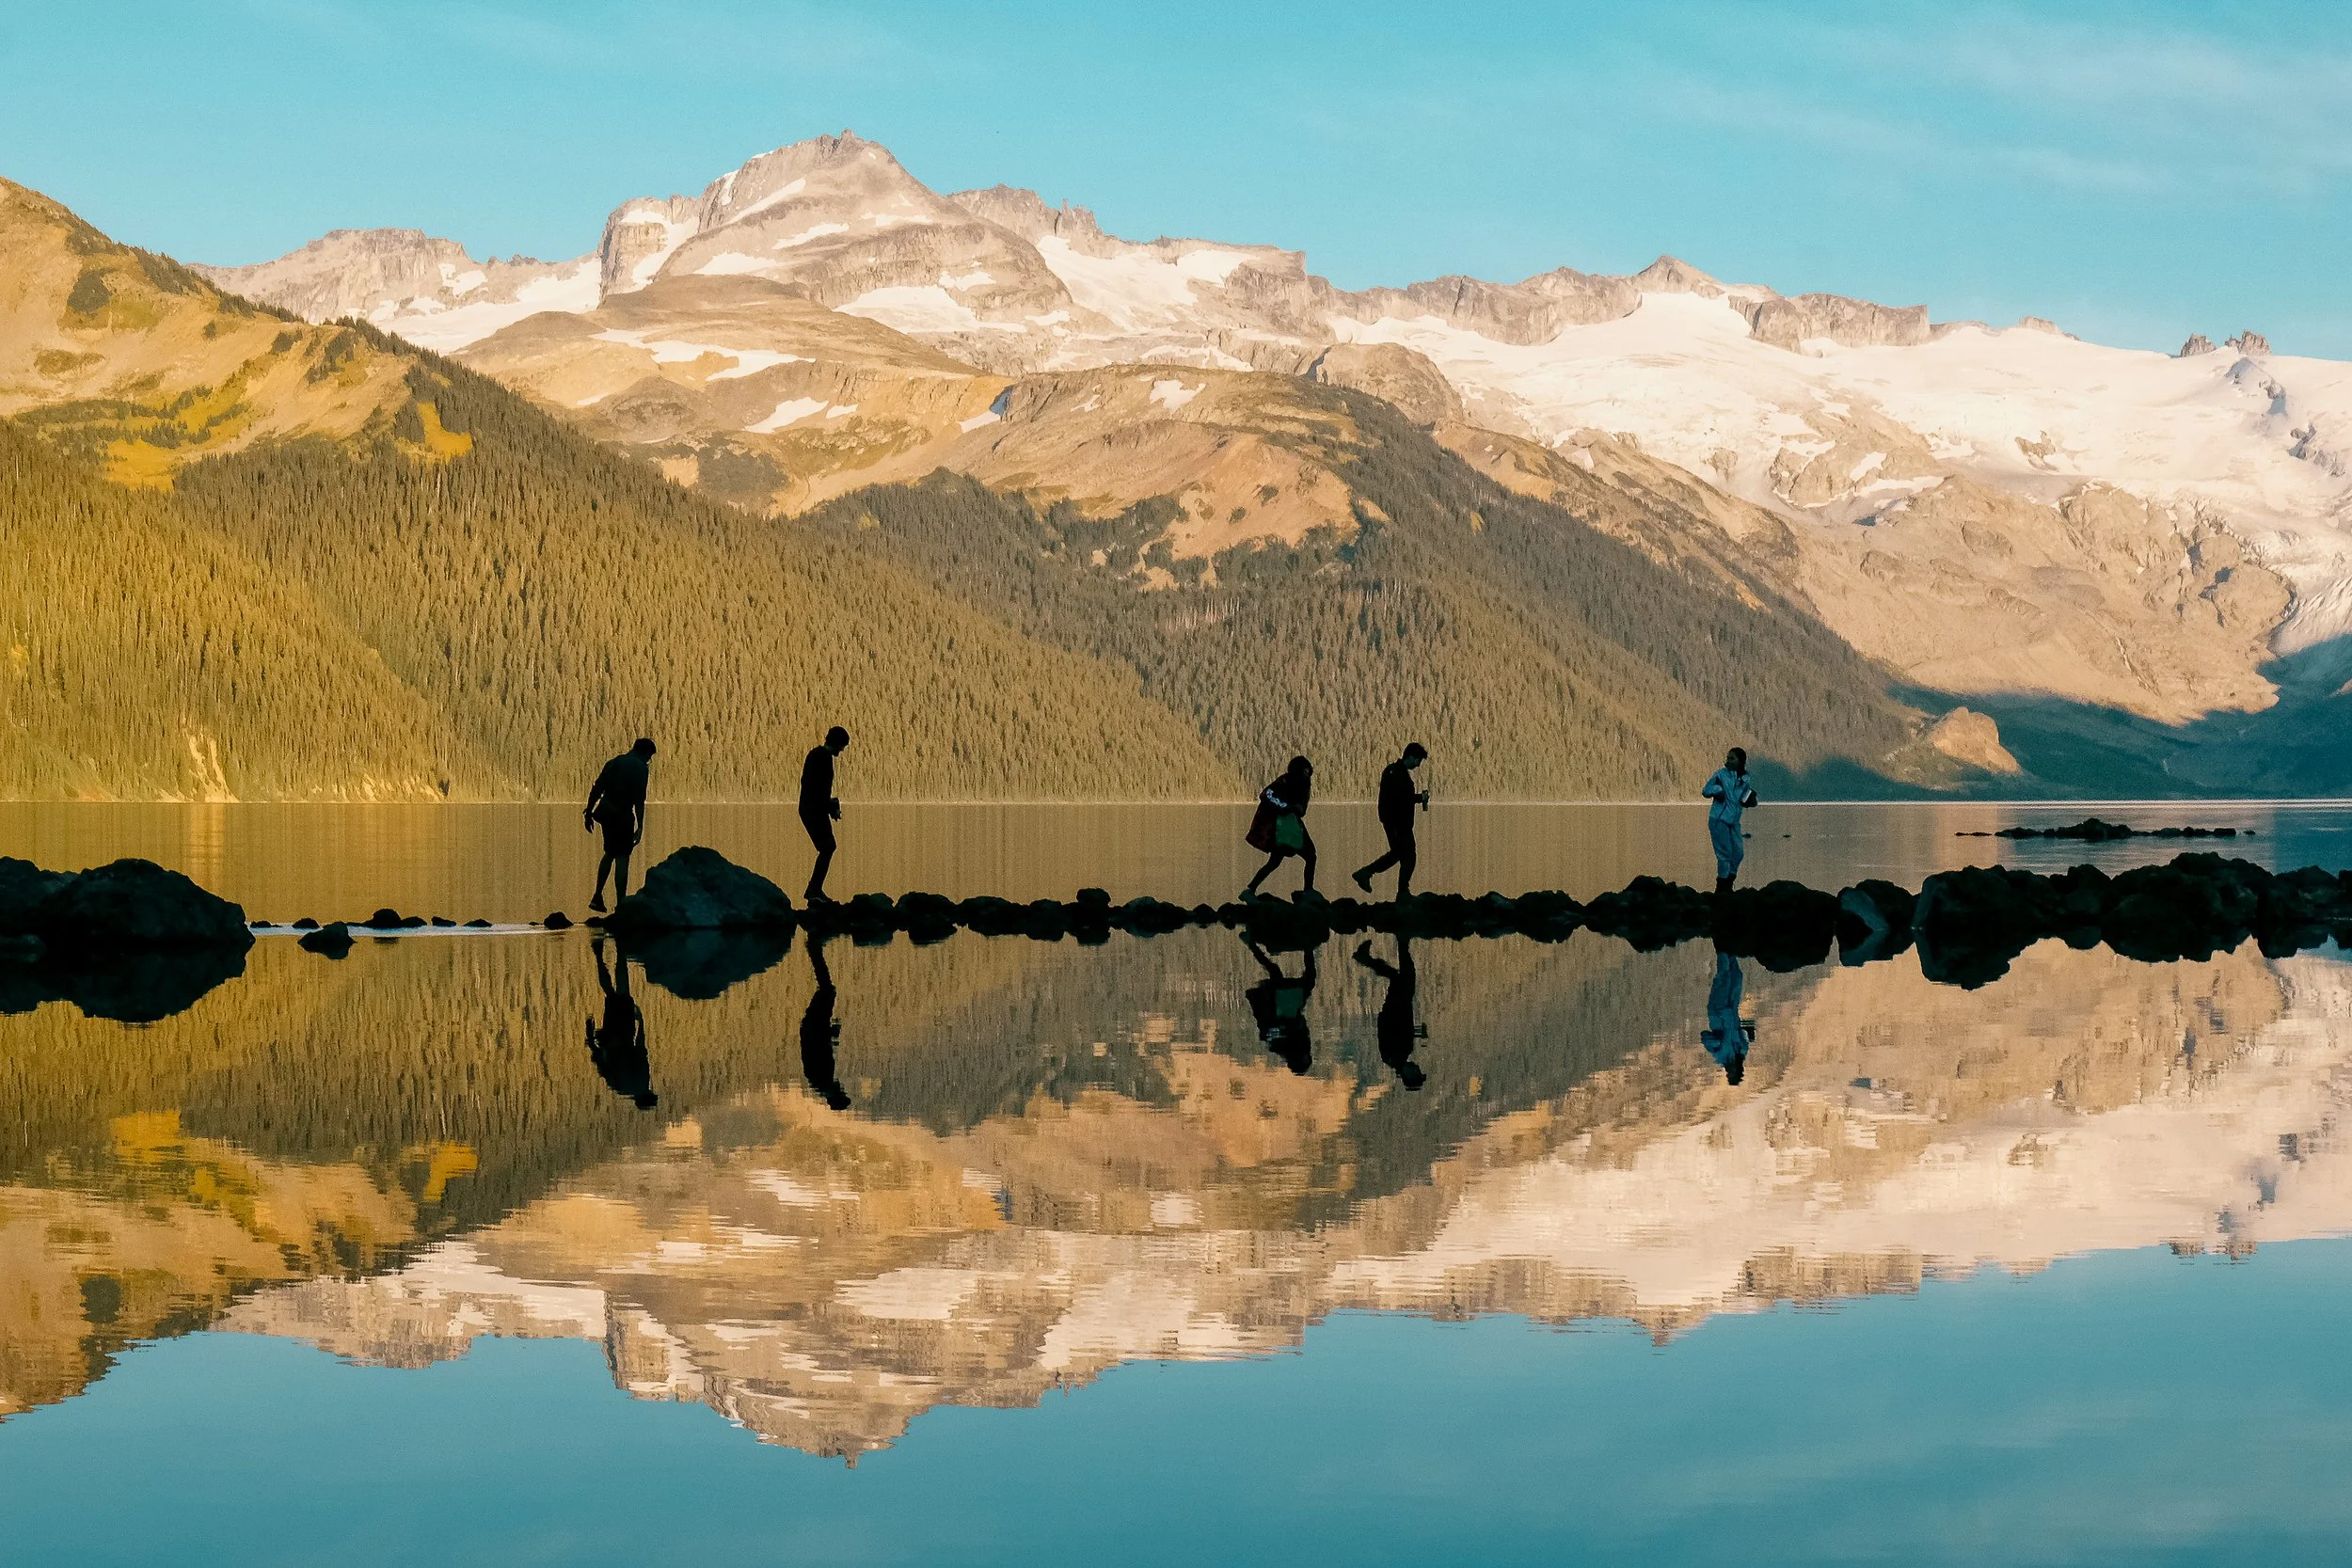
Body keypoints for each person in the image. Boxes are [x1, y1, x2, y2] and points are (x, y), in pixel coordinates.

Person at [585, 737, 657, 912]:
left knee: (609, 853)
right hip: (623, 816)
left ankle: (597, 895)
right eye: (650, 757)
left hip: (606, 813)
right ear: (646, 754)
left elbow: (597, 788)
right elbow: (639, 800)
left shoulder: (614, 762)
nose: (649, 761)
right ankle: (621, 903)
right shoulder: (641, 768)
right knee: (622, 858)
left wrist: (588, 812)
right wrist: (640, 826)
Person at [586, 937, 657, 1109]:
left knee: (622, 993)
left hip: (624, 1034)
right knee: (610, 994)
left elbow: (641, 1048)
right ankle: (599, 955)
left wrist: (641, 1023)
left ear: (647, 1094)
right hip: (610, 1039)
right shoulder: (620, 1088)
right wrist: (591, 1039)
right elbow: (601, 1065)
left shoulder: (640, 1081)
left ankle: (621, 952)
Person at [1353, 742, 1430, 897]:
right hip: (1397, 822)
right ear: (1411, 757)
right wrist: (1420, 798)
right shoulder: (1398, 774)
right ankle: (1401, 891)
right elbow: (1402, 798)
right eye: (1418, 760)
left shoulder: (1392, 771)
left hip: (1394, 821)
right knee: (1408, 855)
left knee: (1398, 853)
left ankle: (1367, 874)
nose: (1418, 765)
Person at [1353, 937, 1427, 1089]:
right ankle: (1395, 945)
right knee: (1399, 976)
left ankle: (1400, 942)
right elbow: (1402, 1031)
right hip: (1400, 1006)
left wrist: (1390, 1013)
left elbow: (1390, 1030)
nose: (1418, 1068)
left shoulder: (1394, 1056)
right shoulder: (1400, 1055)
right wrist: (1417, 1032)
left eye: (1416, 1072)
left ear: (1409, 1075)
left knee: (1404, 975)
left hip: (1397, 1006)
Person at [1243, 755, 1317, 896]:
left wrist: (1294, 808)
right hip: (1283, 826)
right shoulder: (1285, 781)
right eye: (1305, 771)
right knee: (1309, 856)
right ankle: (1308, 890)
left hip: (1287, 825)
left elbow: (1301, 809)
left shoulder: (1300, 784)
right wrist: (1286, 807)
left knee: (1276, 861)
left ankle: (1250, 889)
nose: (1307, 775)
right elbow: (1266, 794)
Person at [1244, 935, 1318, 1074]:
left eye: (1305, 1057)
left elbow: (1269, 1026)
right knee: (1303, 978)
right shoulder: (1295, 1044)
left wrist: (1286, 1024)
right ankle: (1308, 948)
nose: (1307, 1054)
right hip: (1286, 1003)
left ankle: (1252, 944)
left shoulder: (1278, 1045)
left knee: (1276, 972)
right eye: (1307, 1057)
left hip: (1274, 1001)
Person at [799, 935, 850, 1110]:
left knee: (828, 990)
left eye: (841, 1092)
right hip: (814, 1024)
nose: (841, 1087)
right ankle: (814, 948)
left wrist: (829, 1032)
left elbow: (816, 1046)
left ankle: (814, 947)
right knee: (827, 990)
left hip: (815, 1023)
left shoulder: (822, 1078)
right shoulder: (819, 1081)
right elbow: (818, 1048)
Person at [1702, 746, 1760, 895]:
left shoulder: (1744, 779)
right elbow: (1706, 791)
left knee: (1738, 853)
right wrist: (1717, 790)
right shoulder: (1720, 775)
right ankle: (1722, 887)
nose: (1727, 760)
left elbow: (1745, 799)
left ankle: (1729, 881)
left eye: (1731, 758)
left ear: (1741, 761)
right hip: (1718, 819)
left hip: (1734, 821)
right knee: (1724, 854)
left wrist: (1751, 800)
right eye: (1727, 757)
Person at [801, 725, 850, 903]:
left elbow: (816, 789)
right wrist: (830, 807)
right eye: (843, 745)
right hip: (813, 809)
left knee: (827, 847)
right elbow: (818, 790)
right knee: (828, 847)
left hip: (811, 808)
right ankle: (814, 890)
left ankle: (814, 889)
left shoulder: (817, 755)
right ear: (837, 743)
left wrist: (829, 805)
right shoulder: (823, 758)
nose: (843, 749)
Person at [1699, 943, 1754, 1086]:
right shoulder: (1742, 1050)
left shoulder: (1720, 1056)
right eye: (1734, 1073)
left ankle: (1721, 944)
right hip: (1732, 1009)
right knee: (1737, 976)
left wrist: (1716, 1041)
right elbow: (1744, 1028)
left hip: (1717, 1010)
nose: (1731, 1071)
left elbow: (1704, 1036)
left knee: (1724, 976)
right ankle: (1731, 946)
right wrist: (1749, 1032)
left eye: (1730, 1074)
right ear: (1740, 1070)